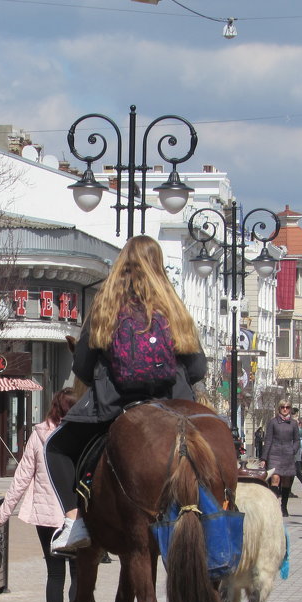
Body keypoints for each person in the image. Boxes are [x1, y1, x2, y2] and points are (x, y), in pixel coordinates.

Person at [45, 235, 207, 552]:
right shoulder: (174, 309)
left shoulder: (106, 307)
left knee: (57, 448)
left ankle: (75, 522)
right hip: (174, 404)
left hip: (112, 404)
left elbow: (82, 367)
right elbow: (198, 367)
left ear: (122, 266)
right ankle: (219, 515)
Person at [0, 389, 78, 602]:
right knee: (79, 571)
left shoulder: (39, 435)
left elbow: (21, 477)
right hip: (75, 515)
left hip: (46, 517)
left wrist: (4, 512)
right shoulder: (82, 436)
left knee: (54, 574)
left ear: (54, 407)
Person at [262, 400, 301, 517]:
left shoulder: (293, 423)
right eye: (283, 407)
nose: (285, 409)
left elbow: (297, 440)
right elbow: (268, 440)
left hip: (288, 455)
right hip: (274, 453)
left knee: (286, 481)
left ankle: (284, 506)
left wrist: (293, 450)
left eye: (287, 407)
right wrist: (264, 458)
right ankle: (274, 505)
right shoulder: (273, 422)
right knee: (275, 478)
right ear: (279, 408)